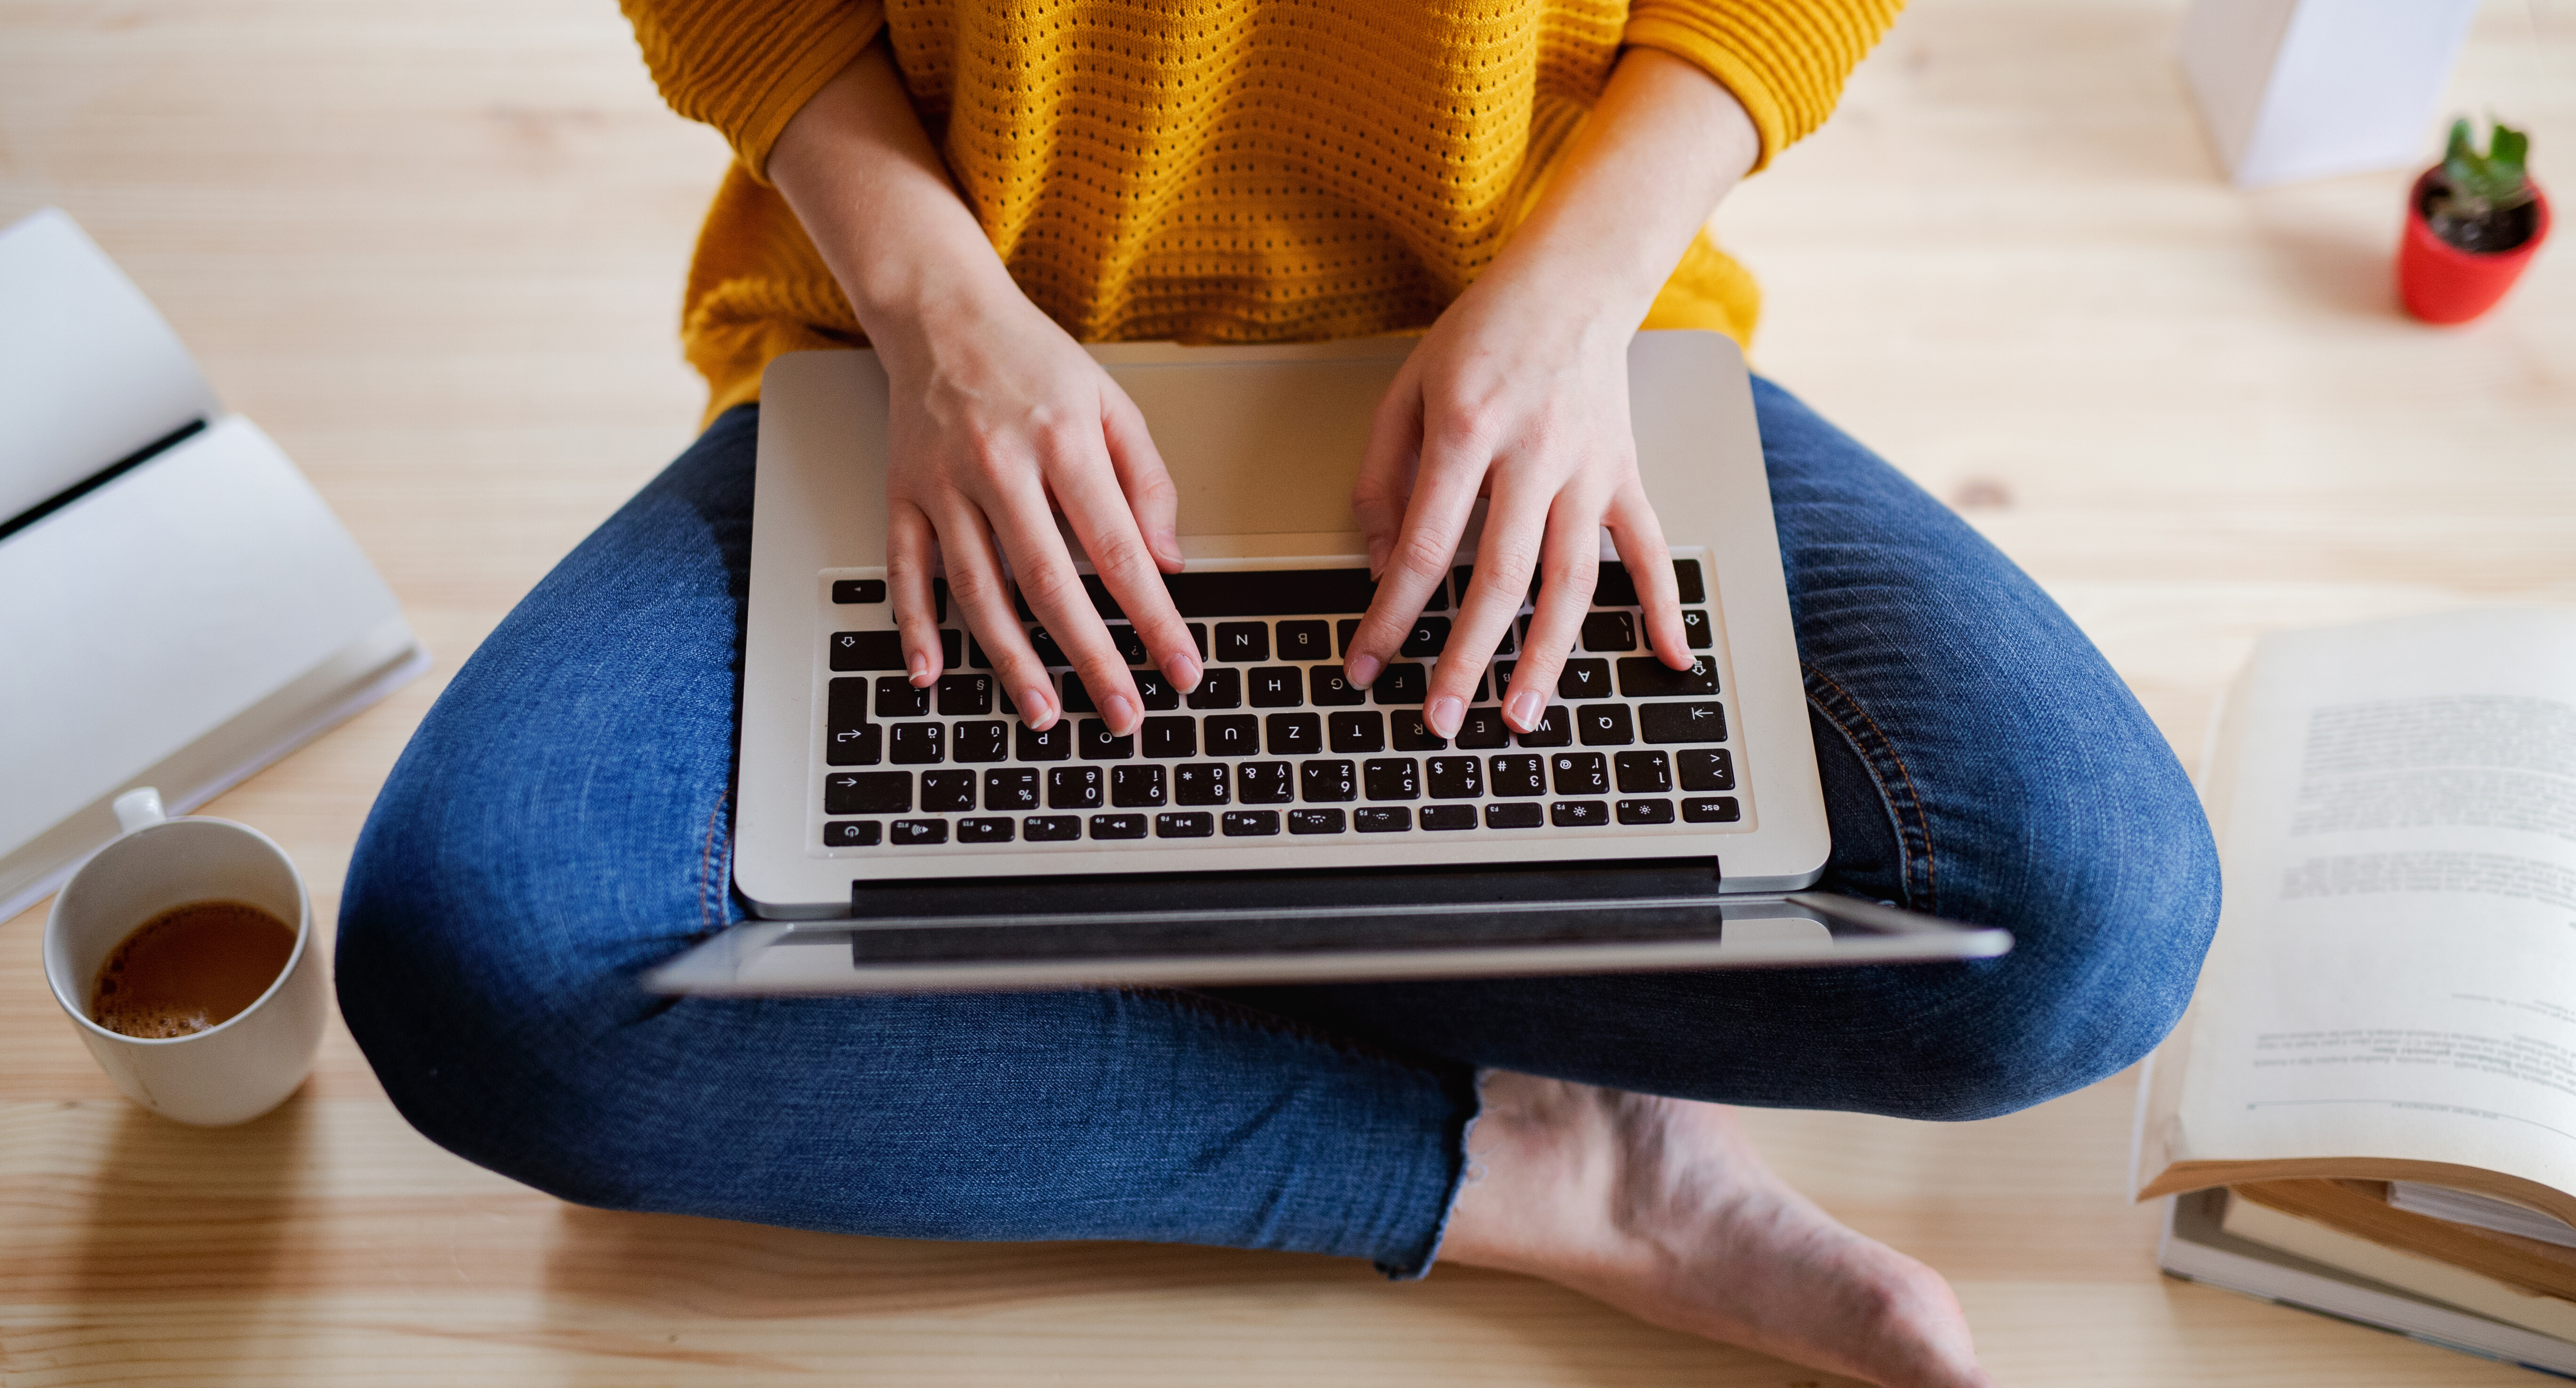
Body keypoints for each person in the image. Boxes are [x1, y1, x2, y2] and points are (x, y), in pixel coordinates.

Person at [334, 2, 2220, 1383]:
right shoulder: (934, 333)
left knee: (2093, 921)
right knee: (480, 961)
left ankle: (1123, 923)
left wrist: (1579, 299)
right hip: (950, 354)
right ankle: (1517, 1163)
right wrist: (935, 315)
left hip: (1538, 341)